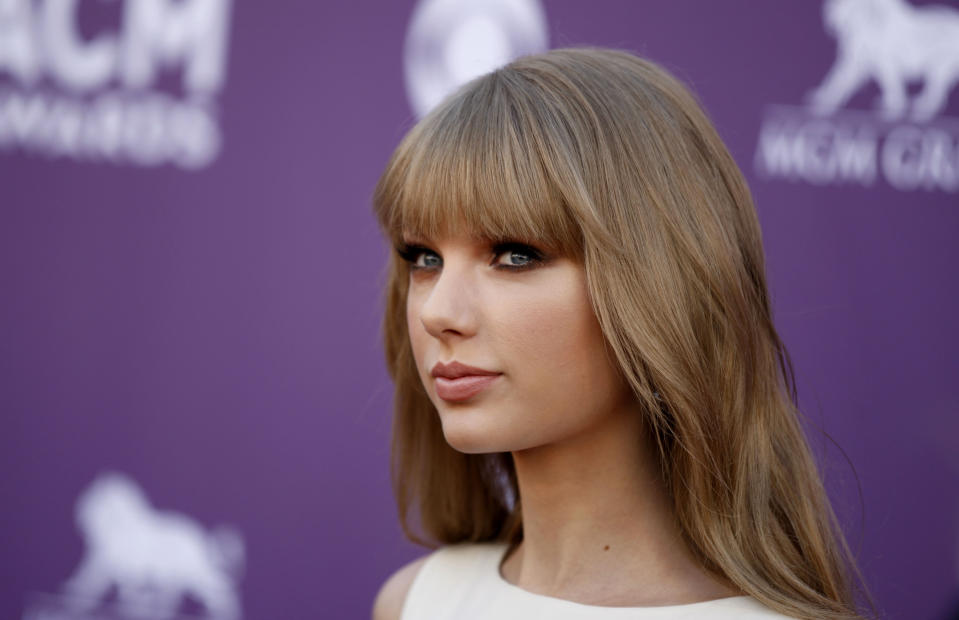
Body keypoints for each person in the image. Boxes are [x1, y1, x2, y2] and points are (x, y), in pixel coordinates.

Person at [369, 48, 874, 620]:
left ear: (660, 284)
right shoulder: (414, 602)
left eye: (515, 255)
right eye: (424, 257)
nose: (438, 311)